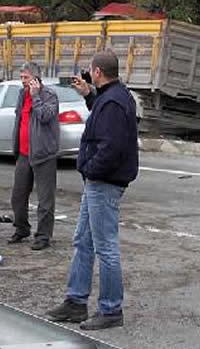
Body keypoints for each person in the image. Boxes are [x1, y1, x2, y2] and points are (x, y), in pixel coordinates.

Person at [45, 51, 139, 330]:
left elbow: (111, 146)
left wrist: (90, 168)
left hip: (104, 182)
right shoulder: (112, 97)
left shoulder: (113, 102)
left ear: (98, 72)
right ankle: (76, 302)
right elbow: (105, 125)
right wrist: (88, 95)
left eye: (90, 71)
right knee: (83, 241)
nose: (88, 73)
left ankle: (111, 309)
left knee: (105, 246)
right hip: (98, 181)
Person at [8, 62, 59, 251]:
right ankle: (22, 229)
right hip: (23, 153)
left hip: (43, 154)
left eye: (26, 78)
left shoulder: (49, 95)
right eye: (21, 77)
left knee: (45, 199)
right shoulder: (22, 94)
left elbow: (45, 116)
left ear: (36, 79)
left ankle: (43, 236)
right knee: (18, 196)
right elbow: (20, 120)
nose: (22, 81)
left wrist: (36, 96)